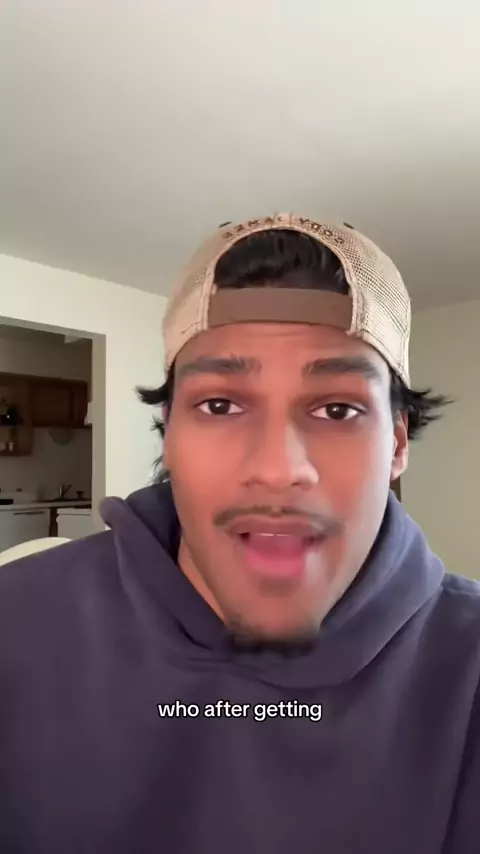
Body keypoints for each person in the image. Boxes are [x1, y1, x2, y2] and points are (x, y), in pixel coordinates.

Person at [0, 214, 477, 854]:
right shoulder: (15, 624)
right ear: (169, 433)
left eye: (337, 409)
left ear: (395, 445)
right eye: (220, 404)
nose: (277, 469)